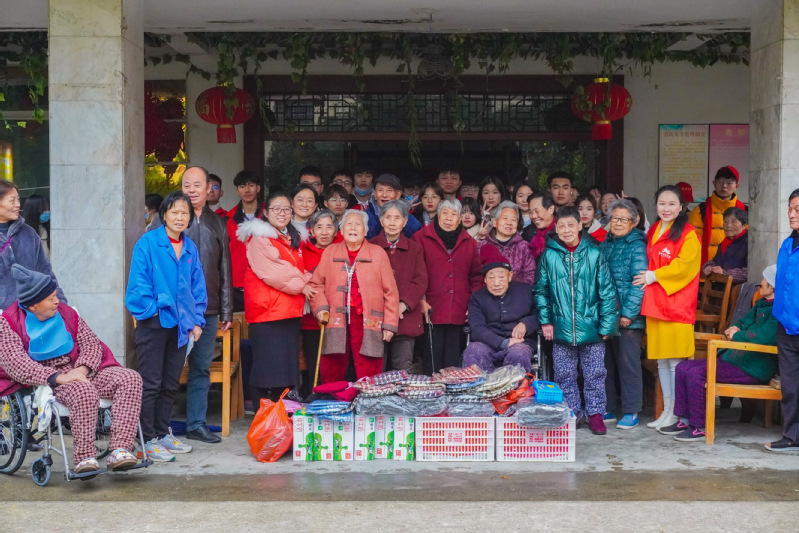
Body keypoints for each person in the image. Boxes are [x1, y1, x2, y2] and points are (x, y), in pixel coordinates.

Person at [0, 265, 143, 474]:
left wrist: (82, 370)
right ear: (32, 305)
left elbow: (91, 343)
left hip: (82, 368)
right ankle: (85, 456)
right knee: (83, 391)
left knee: (130, 378)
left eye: (55, 295)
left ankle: (120, 449)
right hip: (49, 379)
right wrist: (59, 377)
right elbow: (16, 363)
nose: (56, 301)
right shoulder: (9, 322)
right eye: (50, 298)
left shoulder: (67, 313)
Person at [126, 191, 207, 462]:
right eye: (175, 212)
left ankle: (162, 434)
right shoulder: (148, 243)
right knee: (151, 383)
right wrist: (155, 309)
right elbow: (138, 284)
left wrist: (197, 320)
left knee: (171, 383)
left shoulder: (190, 247)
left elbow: (197, 287)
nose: (180, 217)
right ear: (164, 215)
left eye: (185, 213)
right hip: (154, 322)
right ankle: (146, 440)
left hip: (181, 325)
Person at [662, 266, 779, 442]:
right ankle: (684, 420)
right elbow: (743, 321)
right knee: (682, 367)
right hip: (738, 359)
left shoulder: (777, 311)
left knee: (696, 374)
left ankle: (699, 427)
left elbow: (764, 337)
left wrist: (737, 335)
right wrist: (735, 327)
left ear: (772, 287)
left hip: (753, 368)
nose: (760, 283)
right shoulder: (761, 303)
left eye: (764, 280)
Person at [535, 206, 618, 435]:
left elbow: (607, 291)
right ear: (556, 228)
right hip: (561, 327)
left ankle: (595, 414)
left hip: (591, 326)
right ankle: (572, 411)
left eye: (571, 225)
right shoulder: (548, 256)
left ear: (580, 225)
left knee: (595, 373)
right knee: (564, 374)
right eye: (561, 226)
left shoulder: (594, 253)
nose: (566, 230)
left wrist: (607, 325)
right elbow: (540, 291)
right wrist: (546, 322)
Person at [633, 185, 701, 431]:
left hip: (677, 305)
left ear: (681, 207)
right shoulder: (654, 229)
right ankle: (667, 411)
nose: (666, 208)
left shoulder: (689, 234)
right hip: (656, 304)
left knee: (675, 362)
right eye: (662, 203)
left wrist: (654, 276)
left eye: (672, 204)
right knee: (661, 360)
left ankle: (677, 412)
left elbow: (685, 267)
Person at [237, 191, 313, 405]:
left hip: (289, 310)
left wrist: (306, 278)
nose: (282, 213)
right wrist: (304, 284)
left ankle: (282, 413)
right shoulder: (259, 238)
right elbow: (275, 272)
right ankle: (262, 413)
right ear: (266, 212)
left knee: (286, 367)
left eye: (286, 209)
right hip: (267, 312)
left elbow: (295, 269)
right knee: (266, 367)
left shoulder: (290, 238)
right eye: (276, 209)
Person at [178, 166, 233, 444]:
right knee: (169, 369)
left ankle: (196, 425)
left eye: (197, 184)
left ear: (209, 187)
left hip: (208, 309)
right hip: (175, 310)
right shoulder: (171, 219)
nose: (192, 190)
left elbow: (225, 268)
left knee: (200, 368)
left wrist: (226, 310)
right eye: (187, 184)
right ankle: (158, 429)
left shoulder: (218, 222)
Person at [310, 210, 399, 382]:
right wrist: (321, 308)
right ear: (342, 230)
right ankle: (333, 398)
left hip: (367, 319)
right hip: (335, 318)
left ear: (365, 231)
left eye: (358, 224)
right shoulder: (331, 252)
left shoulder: (378, 253)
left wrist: (389, 325)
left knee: (369, 367)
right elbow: (315, 284)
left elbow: (391, 292)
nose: (353, 228)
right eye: (348, 224)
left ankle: (368, 398)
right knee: (332, 365)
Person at [414, 198, 484, 373]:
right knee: (431, 362)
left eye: (454, 214)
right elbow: (414, 273)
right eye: (445, 213)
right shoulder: (420, 238)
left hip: (459, 308)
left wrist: (473, 304)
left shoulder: (469, 242)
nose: (448, 218)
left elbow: (476, 277)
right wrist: (421, 299)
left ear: (459, 219)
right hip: (430, 308)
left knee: (452, 364)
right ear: (438, 215)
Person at [599, 199, 648, 429]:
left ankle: (631, 411)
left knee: (628, 364)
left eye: (623, 219)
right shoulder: (605, 244)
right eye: (614, 218)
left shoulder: (637, 246)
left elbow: (639, 284)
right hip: (608, 315)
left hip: (630, 318)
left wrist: (628, 314)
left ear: (634, 222)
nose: (618, 223)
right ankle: (608, 407)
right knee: (605, 363)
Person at [369, 200, 428, 373]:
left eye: (397, 218)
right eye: (388, 217)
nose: (392, 222)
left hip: (405, 317)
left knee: (402, 370)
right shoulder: (371, 246)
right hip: (376, 317)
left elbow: (420, 280)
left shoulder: (415, 249)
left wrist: (403, 305)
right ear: (381, 221)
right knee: (375, 370)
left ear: (405, 221)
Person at [463, 246, 539, 372]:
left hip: (520, 343)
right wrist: (503, 343)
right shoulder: (477, 297)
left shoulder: (525, 291)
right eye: (491, 278)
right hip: (488, 343)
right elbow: (477, 328)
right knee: (473, 350)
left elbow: (540, 314)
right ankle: (482, 385)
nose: (497, 283)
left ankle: (515, 385)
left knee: (518, 353)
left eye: (501, 277)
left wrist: (526, 323)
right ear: (485, 279)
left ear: (510, 276)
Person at [0, 179, 66, 311]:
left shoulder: (28, 233)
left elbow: (45, 272)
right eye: (12, 200)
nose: (18, 205)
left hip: (29, 313)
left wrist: (61, 304)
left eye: (18, 200)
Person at [769, 189, 799, 452]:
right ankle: (791, 436)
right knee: (790, 386)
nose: (791, 214)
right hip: (786, 327)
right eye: (790, 208)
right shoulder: (787, 245)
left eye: (797, 210)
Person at [299, 209, 341, 396]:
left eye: (329, 227)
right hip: (311, 321)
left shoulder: (342, 250)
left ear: (336, 230)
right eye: (319, 227)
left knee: (335, 364)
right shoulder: (303, 252)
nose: (324, 232)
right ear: (312, 231)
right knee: (312, 363)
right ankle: (312, 398)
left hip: (338, 319)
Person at [688, 165, 746, 264]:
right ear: (714, 183)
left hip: (734, 269)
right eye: (720, 181)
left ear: (736, 186)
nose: (724, 186)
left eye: (729, 183)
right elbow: (691, 243)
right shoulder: (700, 210)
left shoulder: (744, 211)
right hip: (706, 268)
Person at [226, 170, 263, 313]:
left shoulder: (269, 215)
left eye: (251, 185)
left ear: (258, 188)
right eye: (242, 186)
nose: (247, 190)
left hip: (263, 281)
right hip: (236, 283)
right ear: (237, 191)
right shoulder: (227, 219)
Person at [477, 200, 536, 285]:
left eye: (513, 219)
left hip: (517, 292)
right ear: (494, 222)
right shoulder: (482, 246)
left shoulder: (524, 247)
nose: (509, 223)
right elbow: (476, 275)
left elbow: (530, 275)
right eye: (505, 218)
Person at [364, 173, 422, 239]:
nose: (384, 195)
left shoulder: (411, 221)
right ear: (375, 194)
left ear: (398, 194)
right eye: (380, 190)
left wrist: (403, 214)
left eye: (389, 190)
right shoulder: (365, 217)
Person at [700, 207, 748, 285]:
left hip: (738, 290)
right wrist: (709, 267)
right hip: (720, 287)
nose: (728, 225)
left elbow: (749, 272)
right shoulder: (724, 243)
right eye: (725, 221)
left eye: (733, 221)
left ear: (744, 225)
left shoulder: (749, 243)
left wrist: (724, 273)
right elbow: (716, 261)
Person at [522, 191, 557, 261]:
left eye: (537, 211)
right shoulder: (527, 233)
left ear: (551, 209)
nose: (534, 216)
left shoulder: (562, 231)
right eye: (530, 212)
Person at [22, 194, 50, 258]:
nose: (48, 212)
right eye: (43, 210)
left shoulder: (50, 231)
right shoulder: (20, 234)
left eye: (48, 209)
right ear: (33, 212)